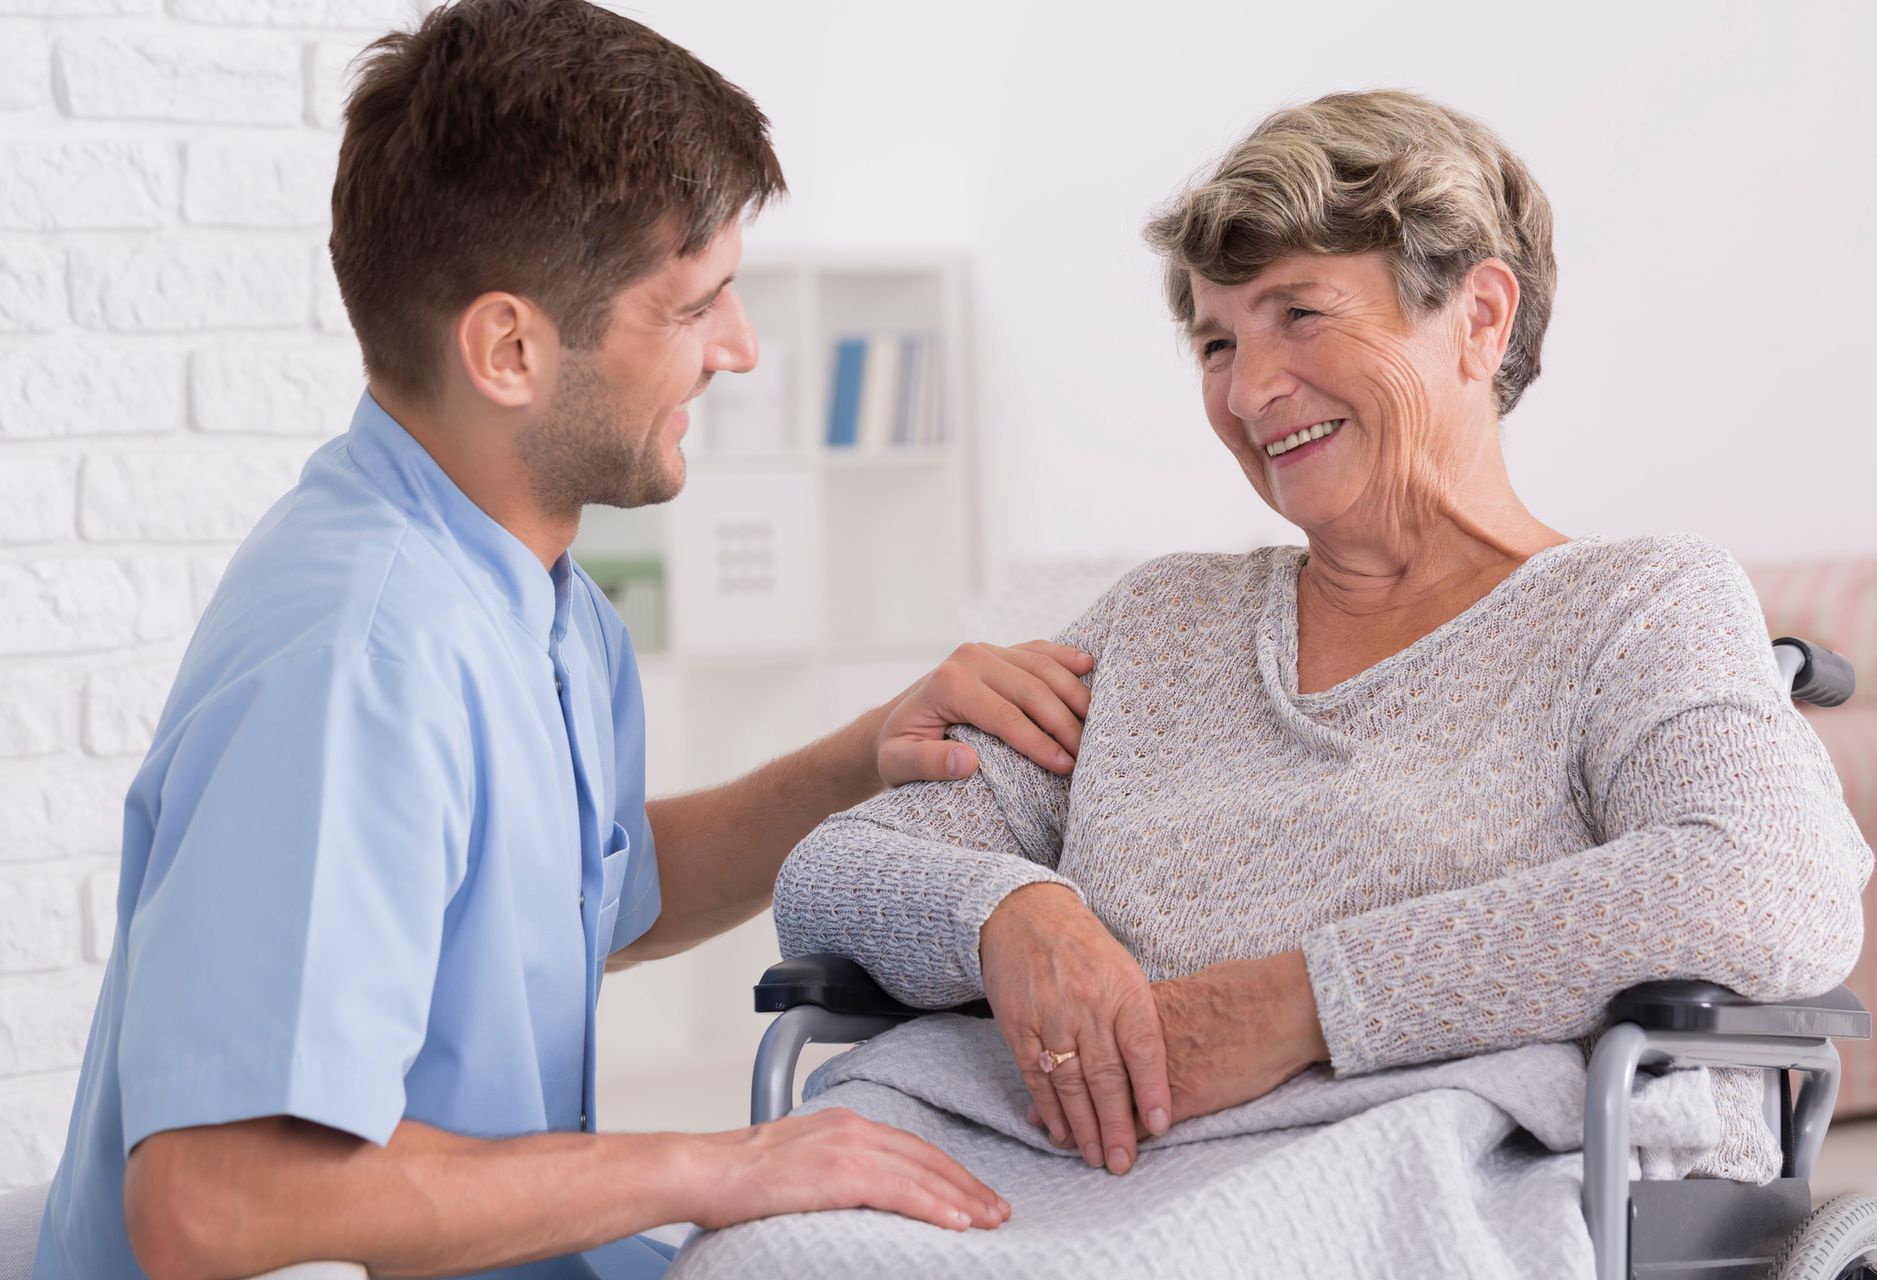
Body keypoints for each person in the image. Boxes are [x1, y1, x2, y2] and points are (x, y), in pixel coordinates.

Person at [688, 89, 1874, 1273]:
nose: (1250, 392)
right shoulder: (1160, 622)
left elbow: (1771, 879)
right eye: (1216, 341)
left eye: (1298, 314)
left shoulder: (1639, 607)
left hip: (1412, 1151)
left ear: (1478, 317)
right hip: (1043, 1151)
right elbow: (834, 873)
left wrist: (1305, 1001)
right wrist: (1005, 910)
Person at [29, 3, 1102, 1277]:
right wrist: (719, 1161)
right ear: (510, 347)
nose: (740, 349)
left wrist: (869, 752)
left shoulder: (537, 597)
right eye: (694, 305)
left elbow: (593, 889)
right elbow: (216, 1198)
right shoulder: (360, 660)